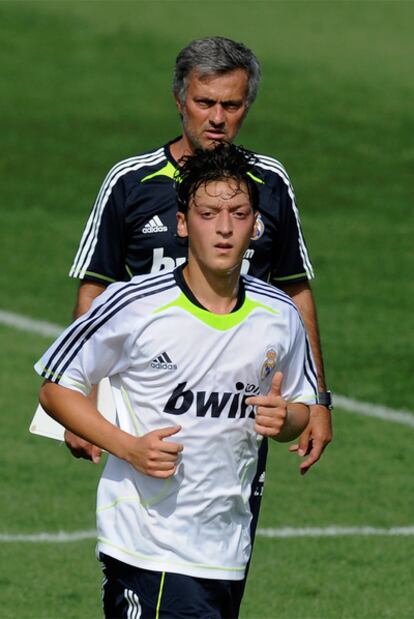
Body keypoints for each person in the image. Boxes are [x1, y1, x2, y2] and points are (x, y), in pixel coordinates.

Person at [36, 144, 317, 618]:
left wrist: (287, 417)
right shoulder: (134, 304)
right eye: (208, 213)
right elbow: (55, 387)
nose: (225, 227)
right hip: (148, 547)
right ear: (183, 224)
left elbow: (300, 409)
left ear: (256, 225)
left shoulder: (280, 315)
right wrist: (128, 447)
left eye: (239, 213)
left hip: (227, 549)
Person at [66, 36, 331, 472]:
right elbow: (96, 287)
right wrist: (84, 396)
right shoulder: (131, 181)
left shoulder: (269, 182)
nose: (217, 119)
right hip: (150, 392)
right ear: (179, 99)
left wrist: (318, 401)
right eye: (205, 102)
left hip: (235, 400)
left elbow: (294, 289)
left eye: (232, 105)